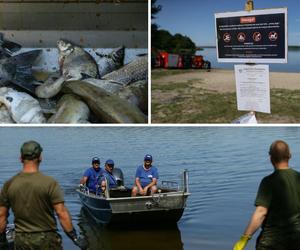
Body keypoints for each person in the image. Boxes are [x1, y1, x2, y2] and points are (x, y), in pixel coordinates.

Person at [0, 140, 86, 250]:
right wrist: (75, 237)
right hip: (47, 241)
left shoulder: (9, 184)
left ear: (21, 158)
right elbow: (61, 213)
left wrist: (2, 240)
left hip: (22, 241)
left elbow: (2, 216)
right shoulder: (50, 183)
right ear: (40, 157)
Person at [233, 140, 300, 250]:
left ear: (270, 158)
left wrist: (244, 238)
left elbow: (261, 212)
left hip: (272, 242)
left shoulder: (269, 182)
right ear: (290, 155)